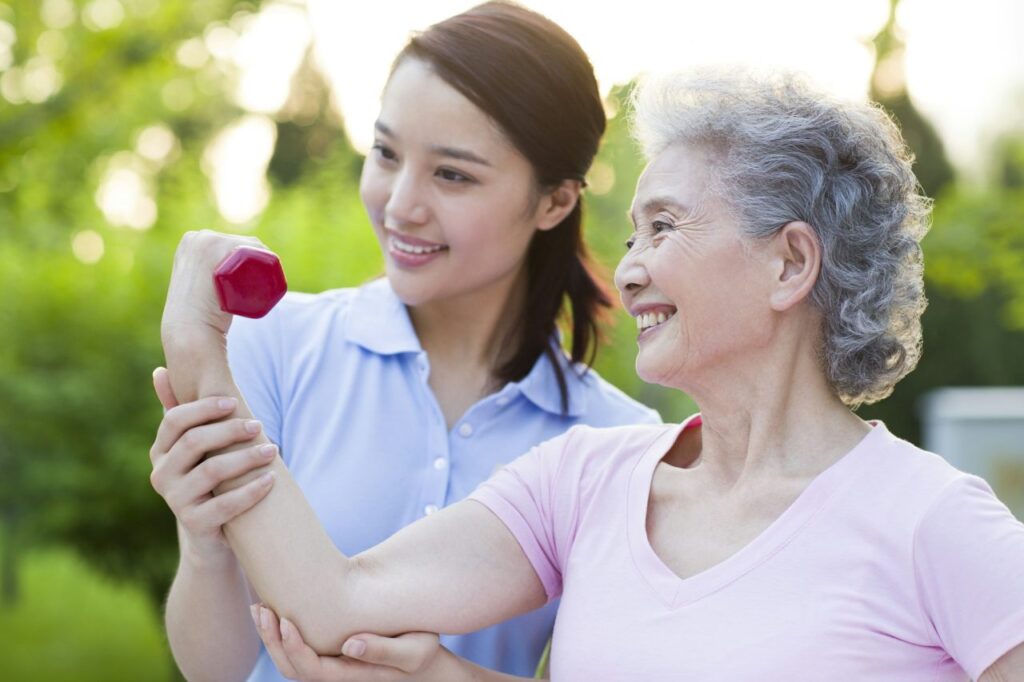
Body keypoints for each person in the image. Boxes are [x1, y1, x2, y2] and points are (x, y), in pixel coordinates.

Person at [154, 68, 1024, 681]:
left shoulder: (931, 523)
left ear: (791, 263)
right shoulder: (584, 479)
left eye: (665, 226)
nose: (630, 269)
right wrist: (202, 358)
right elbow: (335, 604)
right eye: (633, 232)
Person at [147, 3, 660, 681]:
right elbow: (219, 671)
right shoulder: (272, 346)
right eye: (386, 153)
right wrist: (204, 541)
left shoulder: (616, 443)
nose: (400, 205)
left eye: (452, 174)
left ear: (554, 203)